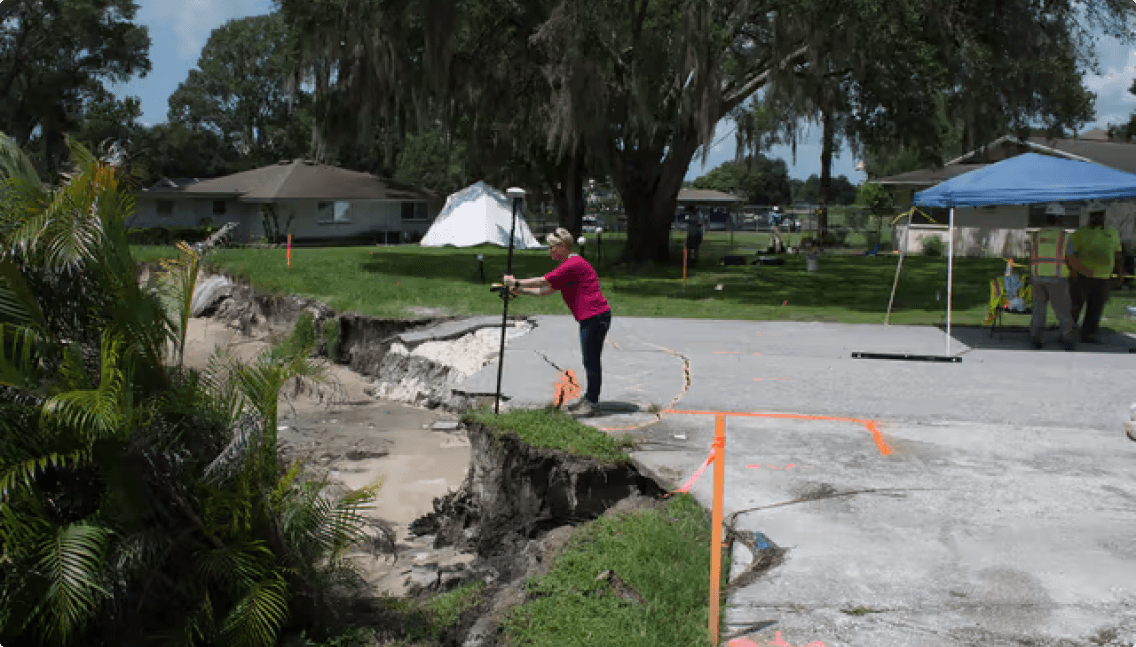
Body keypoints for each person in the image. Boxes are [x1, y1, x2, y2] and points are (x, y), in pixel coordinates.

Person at [504, 227, 612, 416]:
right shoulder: (569, 267)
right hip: (592, 318)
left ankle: (592, 403)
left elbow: (542, 281)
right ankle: (589, 399)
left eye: (552, 247)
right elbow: (544, 291)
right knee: (590, 360)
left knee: (591, 360)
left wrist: (516, 282)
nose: (550, 251)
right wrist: (519, 291)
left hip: (595, 317)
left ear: (562, 246)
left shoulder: (573, 264)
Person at [1028, 210, 1088, 350]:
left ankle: (1036, 338)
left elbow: (1031, 258)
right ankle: (1067, 338)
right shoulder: (1064, 237)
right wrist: (1080, 272)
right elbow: (1071, 259)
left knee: (1038, 311)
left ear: (1048, 217)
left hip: (1037, 279)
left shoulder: (1035, 236)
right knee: (1063, 311)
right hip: (1057, 280)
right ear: (1060, 218)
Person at [1070, 201, 1124, 344]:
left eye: (1099, 215)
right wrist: (1074, 274)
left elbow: (1118, 255)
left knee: (1096, 309)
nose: (1096, 218)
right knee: (1075, 306)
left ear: (1104, 216)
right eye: (1094, 215)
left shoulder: (1112, 232)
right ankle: (1068, 332)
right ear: (1089, 216)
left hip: (1103, 278)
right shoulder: (1080, 233)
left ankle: (1088, 334)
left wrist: (1120, 274)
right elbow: (1072, 255)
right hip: (1083, 277)